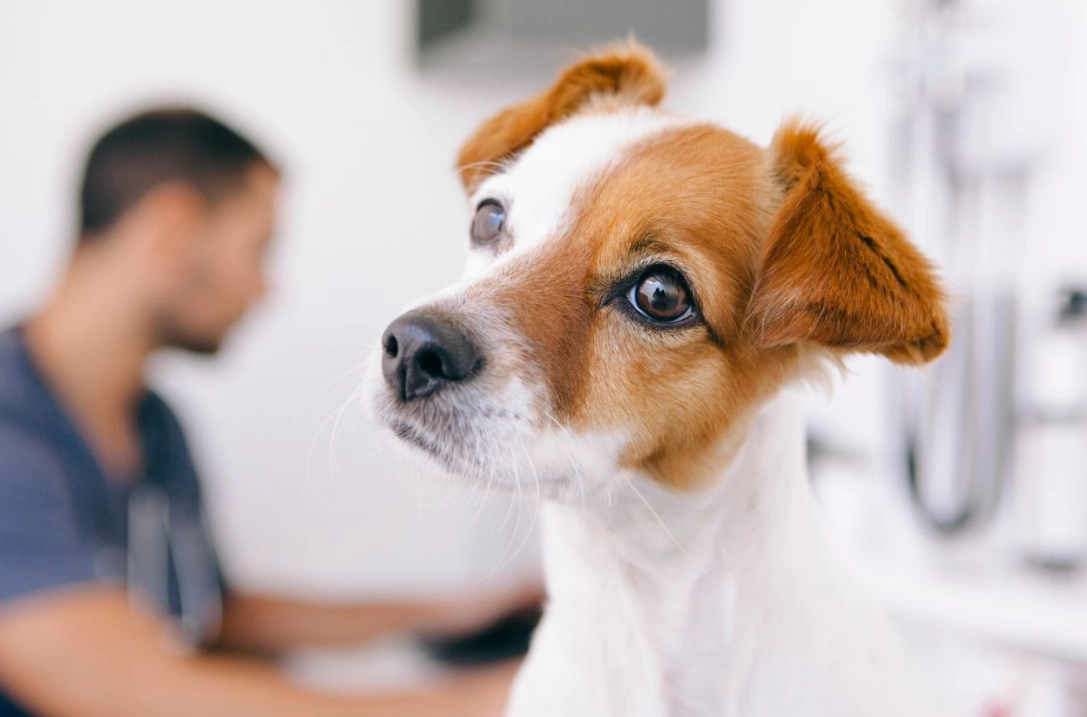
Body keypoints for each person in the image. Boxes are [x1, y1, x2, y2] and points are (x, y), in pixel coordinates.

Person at [0, 108, 536, 717]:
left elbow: (214, 615)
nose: (265, 287)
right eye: (259, 248)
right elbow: (138, 694)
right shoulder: (9, 432)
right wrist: (507, 699)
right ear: (174, 229)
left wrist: (445, 611)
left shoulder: (154, 427)